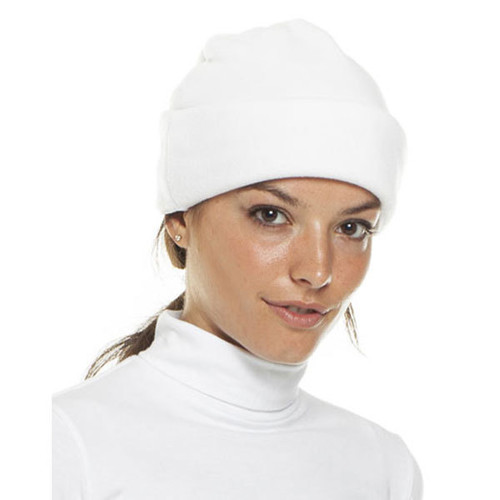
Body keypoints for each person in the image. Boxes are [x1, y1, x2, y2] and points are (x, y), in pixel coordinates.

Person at [52, 18, 423, 500]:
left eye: (351, 228)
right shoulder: (66, 446)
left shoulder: (384, 466)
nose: (317, 270)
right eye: (271, 215)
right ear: (180, 219)